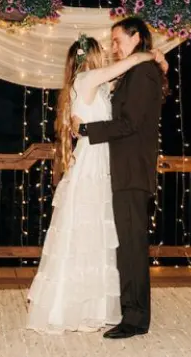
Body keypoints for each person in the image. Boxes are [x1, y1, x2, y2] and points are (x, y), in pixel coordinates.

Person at [26, 33, 166, 334]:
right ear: (89, 57)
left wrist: (160, 63)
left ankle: (96, 306)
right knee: (87, 233)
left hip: (103, 162)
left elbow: (127, 97)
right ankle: (71, 306)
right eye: (104, 49)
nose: (109, 53)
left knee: (99, 236)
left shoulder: (98, 85)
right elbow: (126, 65)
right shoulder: (87, 78)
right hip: (92, 164)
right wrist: (149, 54)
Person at [72, 17, 165, 340]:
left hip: (132, 172)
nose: (113, 47)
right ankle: (131, 312)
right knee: (126, 246)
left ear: (136, 37)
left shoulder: (142, 73)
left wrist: (86, 130)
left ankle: (135, 319)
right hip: (122, 170)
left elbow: (130, 124)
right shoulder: (133, 72)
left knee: (132, 248)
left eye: (117, 40)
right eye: (111, 42)